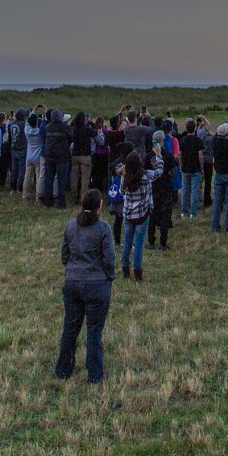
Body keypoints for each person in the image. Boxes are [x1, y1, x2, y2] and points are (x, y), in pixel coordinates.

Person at [56, 191, 115, 384]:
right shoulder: (103, 228)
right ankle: (95, 375)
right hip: (97, 284)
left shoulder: (71, 226)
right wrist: (109, 276)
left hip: (72, 282)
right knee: (94, 331)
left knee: (70, 328)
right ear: (99, 206)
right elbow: (109, 258)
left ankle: (63, 370)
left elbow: (64, 255)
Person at [116, 151, 157, 282]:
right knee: (139, 244)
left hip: (128, 214)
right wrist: (158, 157)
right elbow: (158, 173)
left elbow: (121, 191)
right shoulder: (145, 177)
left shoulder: (124, 177)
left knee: (127, 242)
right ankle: (138, 272)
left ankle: (125, 269)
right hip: (142, 214)